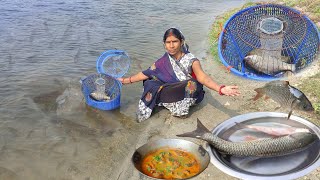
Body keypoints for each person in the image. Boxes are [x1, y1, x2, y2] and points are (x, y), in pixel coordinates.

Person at [118, 27, 240, 122]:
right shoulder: (163, 60)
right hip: (171, 90)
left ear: (181, 42)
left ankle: (180, 109)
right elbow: (146, 73)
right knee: (150, 81)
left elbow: (203, 77)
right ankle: (166, 103)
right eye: (168, 42)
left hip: (186, 92)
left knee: (192, 85)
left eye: (175, 41)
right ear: (164, 44)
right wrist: (126, 80)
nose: (171, 46)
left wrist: (221, 88)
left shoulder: (191, 60)